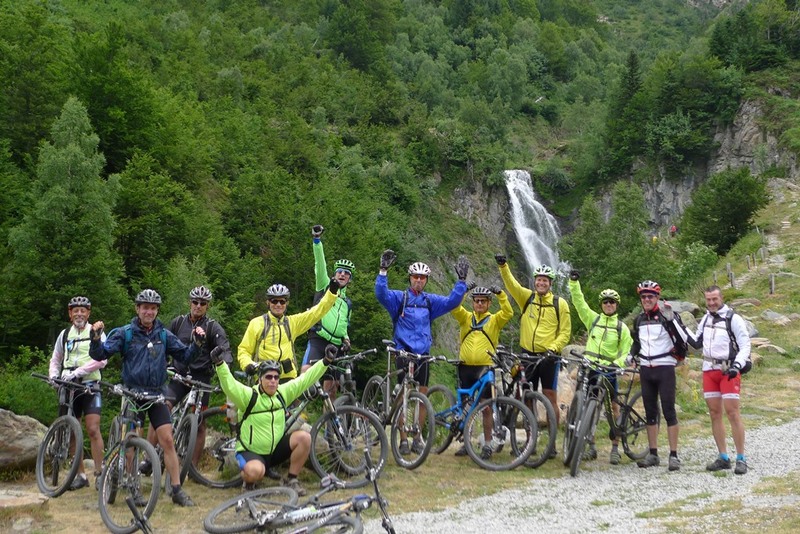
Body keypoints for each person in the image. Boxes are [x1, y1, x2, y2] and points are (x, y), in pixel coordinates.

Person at [89, 289, 205, 507]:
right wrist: (95, 339)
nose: (149, 312)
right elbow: (100, 354)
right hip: (132, 393)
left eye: (153, 308)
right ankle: (133, 486)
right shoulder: (125, 333)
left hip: (156, 393)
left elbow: (185, 356)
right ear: (137, 309)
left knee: (168, 440)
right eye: (145, 307)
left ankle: (177, 489)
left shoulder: (163, 335)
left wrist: (197, 344)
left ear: (157, 310)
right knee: (131, 442)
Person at [212, 344, 339, 496]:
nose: (273, 381)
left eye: (276, 377)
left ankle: (291, 480)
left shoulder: (282, 393)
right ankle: (248, 482)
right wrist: (219, 364)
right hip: (251, 451)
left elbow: (305, 379)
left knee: (304, 438)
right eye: (268, 377)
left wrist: (325, 361)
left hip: (274, 450)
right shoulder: (249, 396)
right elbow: (229, 385)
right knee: (256, 471)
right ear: (260, 379)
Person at [375, 250, 469, 454]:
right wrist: (383, 271)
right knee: (403, 395)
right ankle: (402, 438)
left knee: (422, 395)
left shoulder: (429, 301)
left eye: (422, 277)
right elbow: (381, 294)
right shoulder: (400, 298)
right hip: (403, 352)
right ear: (410, 278)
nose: (419, 280)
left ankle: (417, 436)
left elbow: (451, 302)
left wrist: (461, 281)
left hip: (423, 354)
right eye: (416, 277)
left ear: (426, 280)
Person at [141, 285, 234, 474]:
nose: (198, 306)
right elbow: (162, 344)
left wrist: (227, 370)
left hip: (201, 380)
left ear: (207, 306)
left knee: (199, 423)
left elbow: (224, 349)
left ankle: (191, 469)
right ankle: (148, 458)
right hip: (179, 376)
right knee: (161, 408)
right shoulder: (178, 323)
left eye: (203, 303)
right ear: (189, 303)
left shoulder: (212, 327)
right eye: (195, 302)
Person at [496, 255, 571, 447]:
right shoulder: (527, 298)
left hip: (549, 356)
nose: (541, 283)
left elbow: (565, 332)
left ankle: (552, 441)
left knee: (550, 397)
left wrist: (553, 348)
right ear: (535, 281)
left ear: (550, 283)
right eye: (539, 279)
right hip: (527, 355)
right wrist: (503, 266)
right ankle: (531, 441)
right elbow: (511, 285)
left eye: (545, 280)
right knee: (527, 397)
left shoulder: (559, 303)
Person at [682, 285, 751, 475]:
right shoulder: (705, 318)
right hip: (708, 369)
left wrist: (737, 365)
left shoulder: (733, 319)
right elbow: (695, 342)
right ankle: (723, 457)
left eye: (715, 299)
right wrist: (677, 325)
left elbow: (745, 345)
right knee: (714, 413)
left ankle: (741, 458)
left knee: (732, 413)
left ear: (721, 298)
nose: (712, 303)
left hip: (728, 369)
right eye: (708, 300)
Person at [567, 272, 633, 465]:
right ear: (601, 305)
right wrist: (573, 282)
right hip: (590, 368)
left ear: (617, 305)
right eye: (605, 302)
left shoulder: (622, 328)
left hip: (609, 370)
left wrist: (617, 364)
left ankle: (615, 448)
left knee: (613, 407)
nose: (609, 305)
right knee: (589, 405)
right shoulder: (593, 320)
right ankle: (591, 446)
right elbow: (579, 303)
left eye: (612, 302)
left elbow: (626, 351)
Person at [48, 296, 107, 491]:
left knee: (92, 428)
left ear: (88, 313)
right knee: (72, 432)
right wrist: (53, 376)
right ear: (70, 313)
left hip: (90, 385)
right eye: (76, 310)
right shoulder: (65, 334)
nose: (79, 313)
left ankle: (100, 474)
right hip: (67, 386)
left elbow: (101, 360)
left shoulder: (96, 332)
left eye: (83, 310)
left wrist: (77, 373)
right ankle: (80, 475)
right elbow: (56, 358)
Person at [450, 286, 513, 459]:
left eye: (483, 301)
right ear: (473, 302)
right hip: (465, 367)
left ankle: (486, 444)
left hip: (485, 368)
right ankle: (466, 443)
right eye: (476, 300)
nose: (479, 303)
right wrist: (463, 291)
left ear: (488, 303)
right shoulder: (466, 318)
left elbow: (508, 312)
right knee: (465, 406)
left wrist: (501, 293)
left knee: (486, 407)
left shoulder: (494, 320)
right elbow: (454, 307)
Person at [238, 278, 340, 384]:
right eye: (274, 301)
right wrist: (248, 365)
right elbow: (244, 350)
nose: (278, 304)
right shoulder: (257, 323)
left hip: (288, 378)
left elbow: (316, 312)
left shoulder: (292, 323)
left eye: (282, 301)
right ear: (268, 303)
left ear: (287, 303)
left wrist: (331, 292)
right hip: (265, 377)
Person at [629, 280, 684, 471]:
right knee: (650, 412)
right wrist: (631, 354)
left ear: (657, 298)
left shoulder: (666, 317)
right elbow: (637, 342)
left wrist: (672, 319)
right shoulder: (639, 319)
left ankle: (674, 455)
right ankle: (653, 454)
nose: (646, 300)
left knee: (669, 411)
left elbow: (682, 337)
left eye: (650, 296)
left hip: (665, 368)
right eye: (643, 297)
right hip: (646, 369)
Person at [301, 224, 354, 400]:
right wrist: (317, 241)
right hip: (318, 339)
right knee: (305, 377)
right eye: (339, 271)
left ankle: (328, 426)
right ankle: (295, 416)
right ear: (334, 274)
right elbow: (320, 264)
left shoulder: (347, 303)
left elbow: (344, 324)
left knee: (331, 390)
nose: (342, 275)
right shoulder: (325, 286)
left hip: (336, 346)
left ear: (349, 279)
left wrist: (346, 338)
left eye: (346, 274)